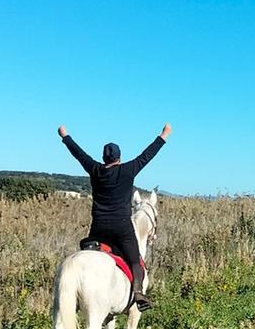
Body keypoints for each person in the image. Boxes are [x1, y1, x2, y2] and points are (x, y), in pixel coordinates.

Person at [58, 123, 171, 311]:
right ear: (119, 158)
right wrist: (163, 136)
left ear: (103, 158)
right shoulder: (128, 169)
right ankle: (137, 293)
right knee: (136, 261)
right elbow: (147, 155)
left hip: (98, 229)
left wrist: (65, 136)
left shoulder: (95, 169)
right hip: (121, 228)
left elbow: (79, 154)